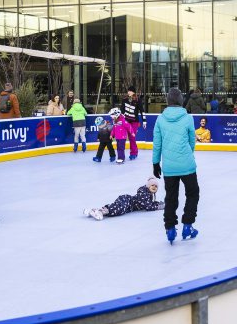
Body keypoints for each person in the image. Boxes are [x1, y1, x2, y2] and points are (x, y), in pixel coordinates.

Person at [152, 87, 200, 244]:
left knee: (171, 198)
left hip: (169, 167)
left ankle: (170, 229)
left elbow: (157, 143)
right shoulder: (187, 118)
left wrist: (155, 163)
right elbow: (192, 140)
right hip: (187, 164)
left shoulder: (160, 119)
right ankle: (188, 225)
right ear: (180, 100)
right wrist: (188, 154)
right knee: (192, 194)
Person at [83, 177, 163, 220]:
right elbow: (148, 206)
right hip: (127, 201)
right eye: (152, 185)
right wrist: (158, 206)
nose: (154, 187)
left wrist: (158, 203)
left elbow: (148, 203)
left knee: (118, 209)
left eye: (156, 186)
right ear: (148, 186)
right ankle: (101, 211)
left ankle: (94, 210)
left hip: (129, 206)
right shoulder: (144, 193)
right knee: (119, 209)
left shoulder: (148, 195)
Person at [121, 86, 145, 160]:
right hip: (126, 121)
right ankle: (122, 154)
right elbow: (121, 110)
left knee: (132, 137)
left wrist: (144, 121)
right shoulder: (124, 100)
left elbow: (142, 111)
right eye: (128, 91)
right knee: (124, 138)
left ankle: (133, 153)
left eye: (130, 91)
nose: (129, 92)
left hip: (134, 122)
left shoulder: (138, 100)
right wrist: (121, 119)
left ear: (134, 92)